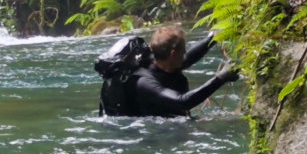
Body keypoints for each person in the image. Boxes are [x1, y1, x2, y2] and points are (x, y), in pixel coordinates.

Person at [100, 24, 239, 118]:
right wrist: (221, 77)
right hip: (149, 134)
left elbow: (187, 58)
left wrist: (212, 38)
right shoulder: (145, 83)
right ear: (172, 54)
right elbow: (182, 102)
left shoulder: (163, 61)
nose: (185, 52)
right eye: (182, 49)